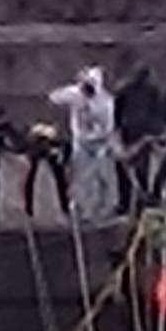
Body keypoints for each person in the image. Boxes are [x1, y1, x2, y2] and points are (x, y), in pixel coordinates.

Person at [48, 66, 117, 223]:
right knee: (80, 176)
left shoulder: (106, 103)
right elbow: (54, 97)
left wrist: (101, 139)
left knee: (102, 176)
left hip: (100, 143)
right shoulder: (75, 94)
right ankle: (79, 210)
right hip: (80, 142)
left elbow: (108, 128)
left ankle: (102, 210)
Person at [113, 65, 165, 216]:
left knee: (140, 170)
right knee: (126, 169)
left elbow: (156, 112)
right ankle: (126, 202)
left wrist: (154, 132)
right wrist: (117, 129)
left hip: (141, 133)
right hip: (129, 132)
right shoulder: (126, 91)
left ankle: (136, 203)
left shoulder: (151, 92)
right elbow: (117, 111)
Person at [18, 120, 69, 219]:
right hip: (35, 147)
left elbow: (64, 151)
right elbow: (24, 150)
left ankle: (65, 208)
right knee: (29, 177)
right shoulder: (33, 141)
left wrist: (62, 159)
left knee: (60, 177)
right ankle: (27, 209)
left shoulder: (58, 140)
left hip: (49, 145)